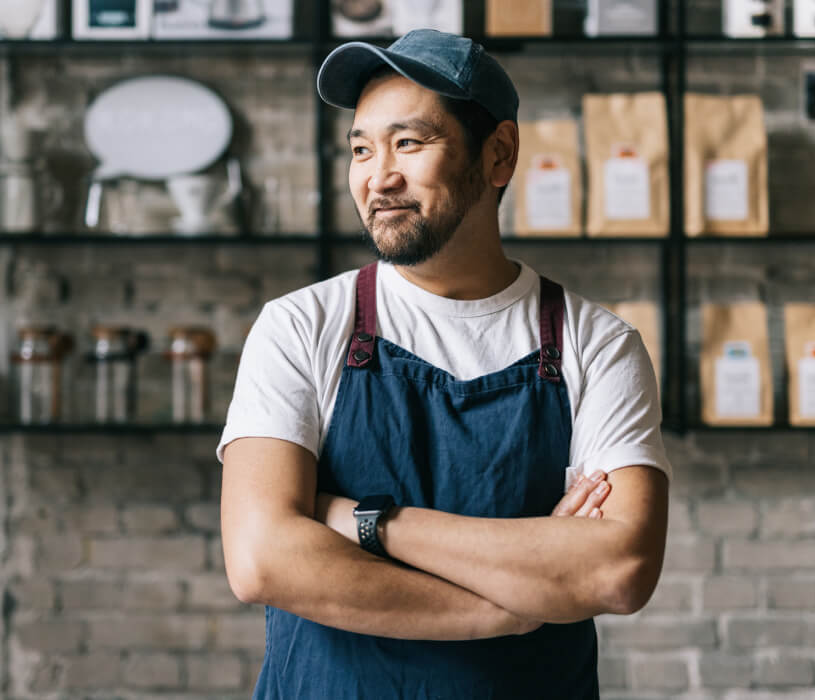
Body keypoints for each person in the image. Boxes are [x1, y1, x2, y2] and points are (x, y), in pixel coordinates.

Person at [218, 29, 671, 699]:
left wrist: (362, 521)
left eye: (409, 143)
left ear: (497, 155)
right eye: (361, 149)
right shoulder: (301, 327)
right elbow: (262, 559)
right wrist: (511, 605)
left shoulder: (596, 345)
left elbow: (617, 570)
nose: (379, 176)